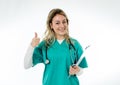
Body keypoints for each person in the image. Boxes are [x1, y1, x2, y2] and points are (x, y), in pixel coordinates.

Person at [24, 8, 88, 85]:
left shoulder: (74, 44)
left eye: (64, 22)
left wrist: (77, 71)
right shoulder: (45, 45)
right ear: (51, 25)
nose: (62, 25)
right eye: (57, 23)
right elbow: (26, 65)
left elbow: (81, 69)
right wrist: (32, 46)